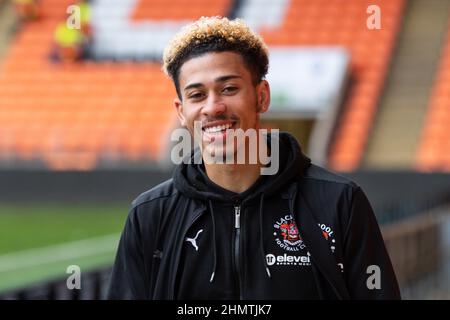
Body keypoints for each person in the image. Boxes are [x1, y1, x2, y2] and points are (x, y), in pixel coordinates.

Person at [107, 16, 400, 300]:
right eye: (196, 95)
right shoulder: (149, 215)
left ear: (261, 96)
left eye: (229, 89)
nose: (214, 107)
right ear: (181, 111)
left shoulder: (339, 202)